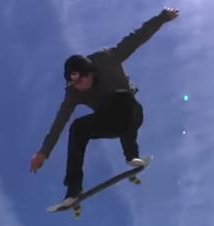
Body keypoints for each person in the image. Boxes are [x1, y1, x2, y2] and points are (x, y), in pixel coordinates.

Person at [30, 7, 180, 206]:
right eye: (75, 84)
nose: (80, 88)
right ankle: (73, 189)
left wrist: (162, 18)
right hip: (108, 121)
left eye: (81, 81)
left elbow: (136, 38)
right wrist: (44, 153)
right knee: (77, 128)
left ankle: (132, 156)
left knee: (122, 97)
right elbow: (60, 121)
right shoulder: (73, 92)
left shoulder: (107, 58)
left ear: (89, 71)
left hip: (131, 113)